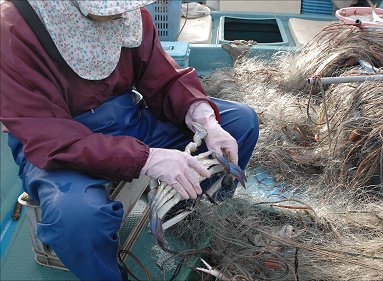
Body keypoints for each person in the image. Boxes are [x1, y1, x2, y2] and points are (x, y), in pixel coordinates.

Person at [0, 0, 259, 280]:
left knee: (240, 122)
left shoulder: (128, 13)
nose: (125, 13)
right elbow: (48, 136)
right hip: (55, 144)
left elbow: (165, 79)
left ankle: (186, 210)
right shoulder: (13, 29)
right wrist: (147, 158)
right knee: (77, 219)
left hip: (126, 118)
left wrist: (206, 120)